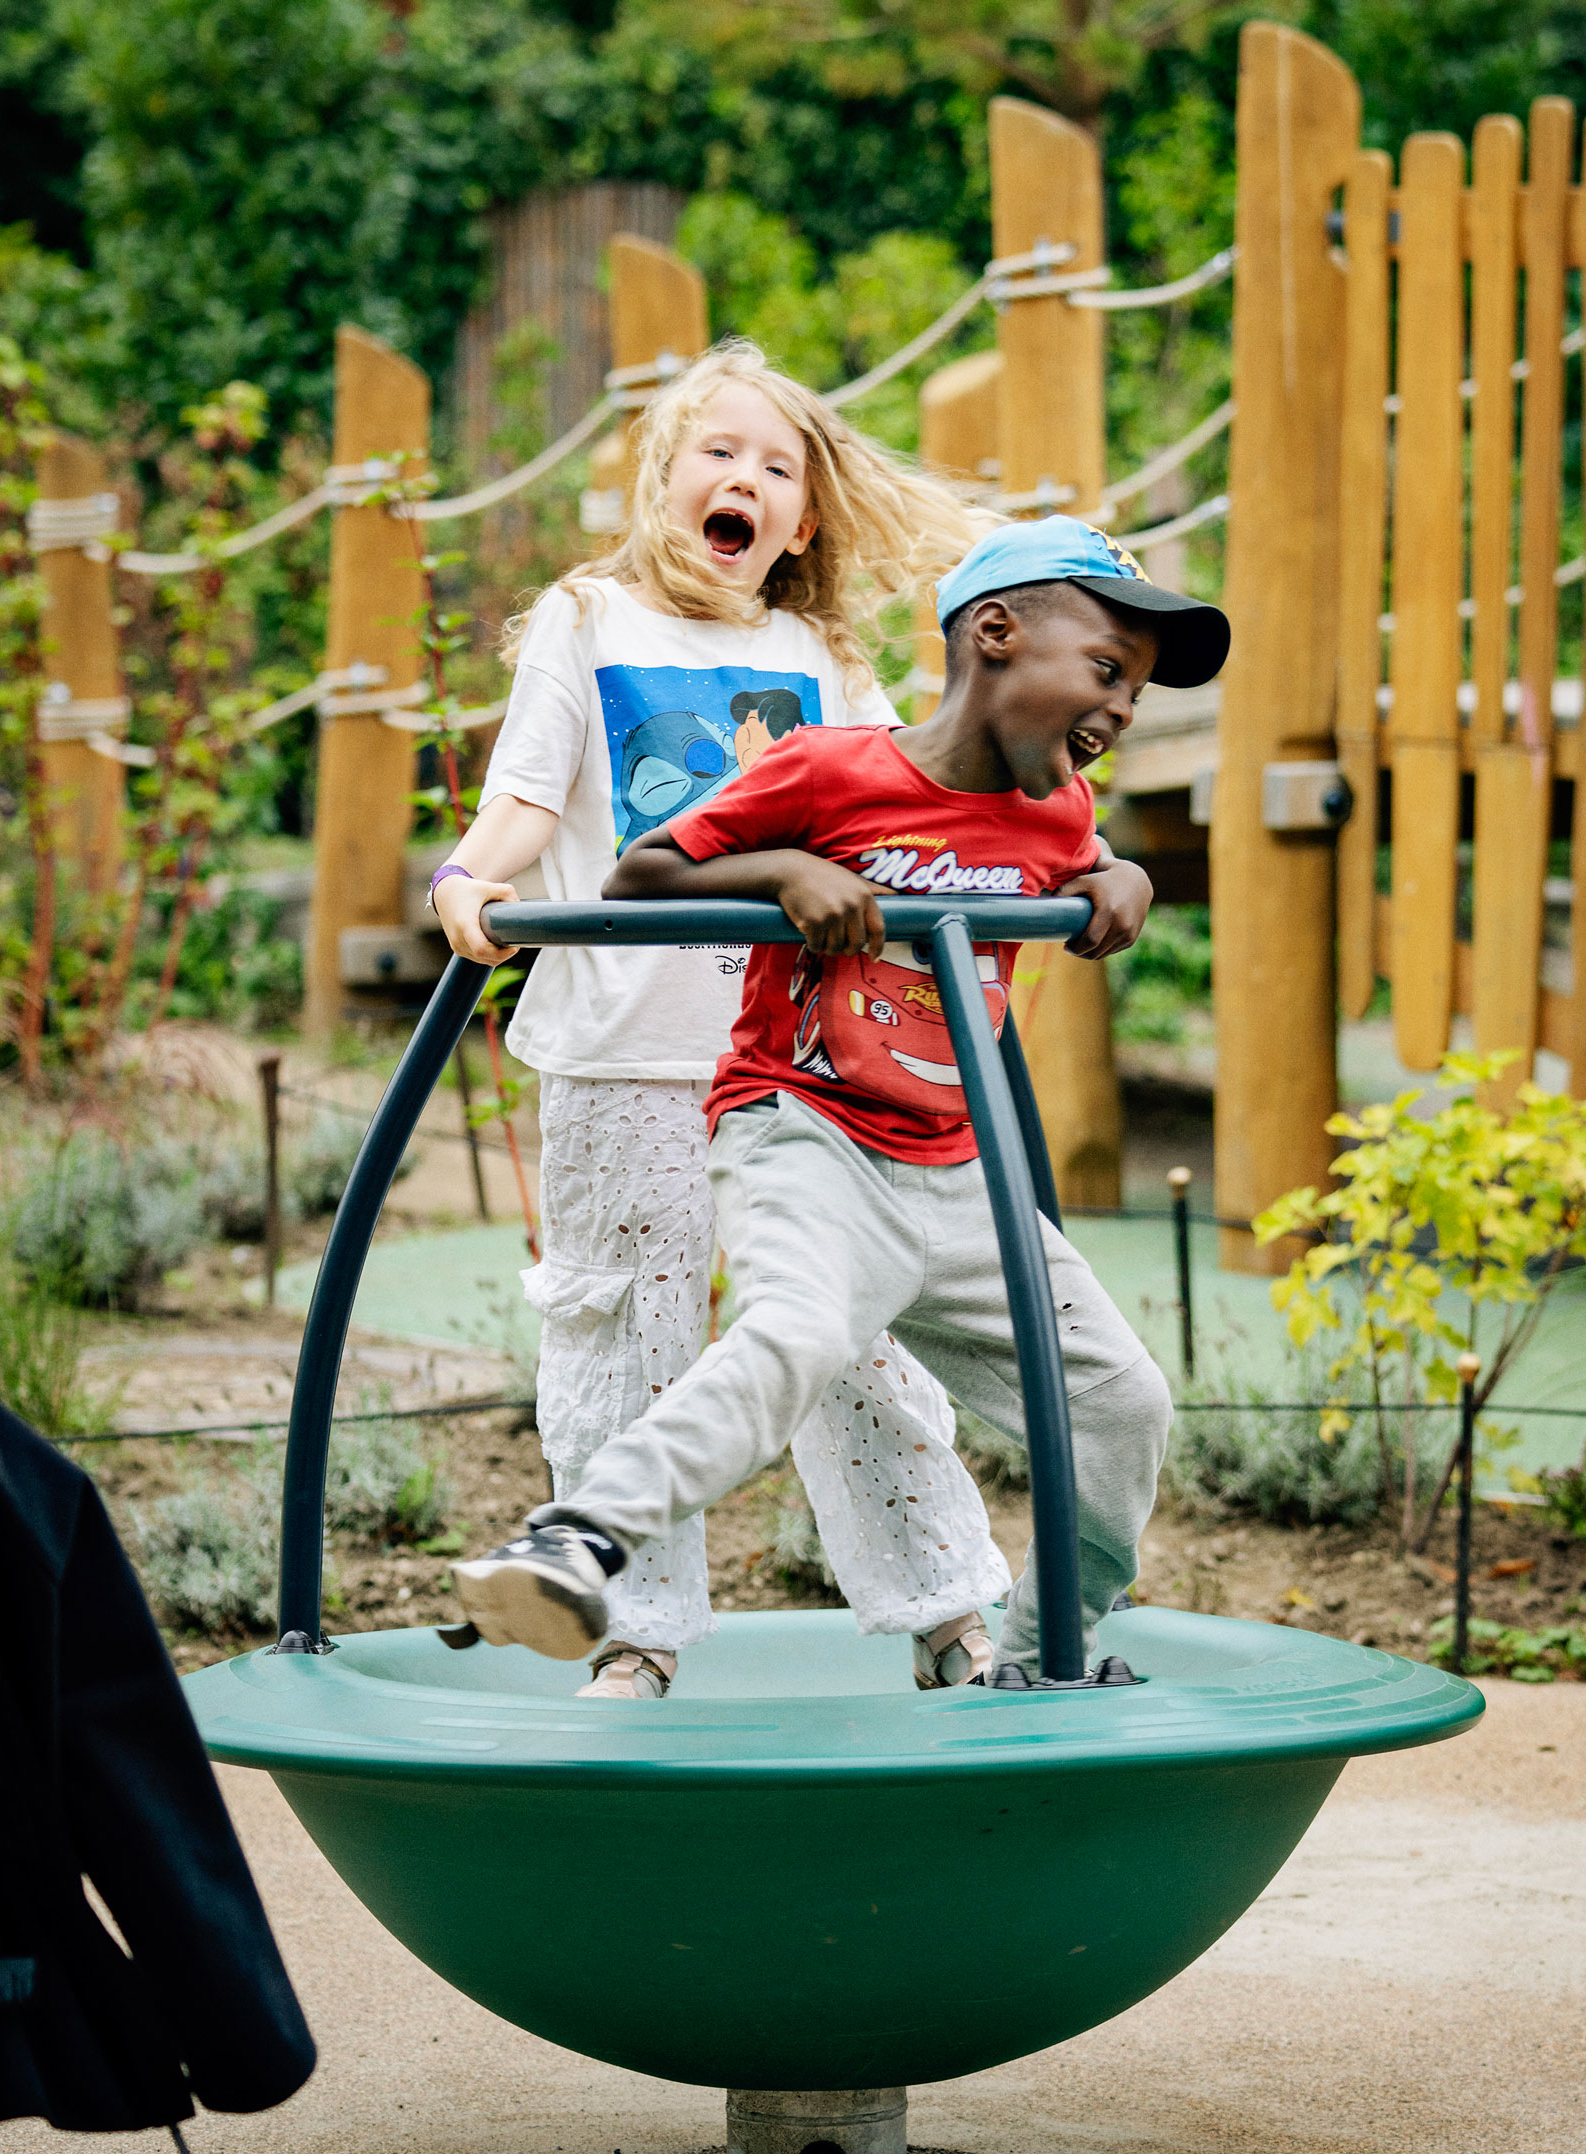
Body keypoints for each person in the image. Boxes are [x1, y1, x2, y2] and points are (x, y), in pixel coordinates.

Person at [434, 346, 1141, 1699]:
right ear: (662, 475)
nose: (745, 480)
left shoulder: (815, 654)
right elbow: (529, 791)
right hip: (627, 1047)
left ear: (802, 523)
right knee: (629, 1329)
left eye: (777, 468)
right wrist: (478, 876)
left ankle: (947, 1607)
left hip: (815, 1073)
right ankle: (631, 1629)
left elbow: (929, 791)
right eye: (720, 453)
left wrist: (1097, 860)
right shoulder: (589, 620)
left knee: (856, 1344)